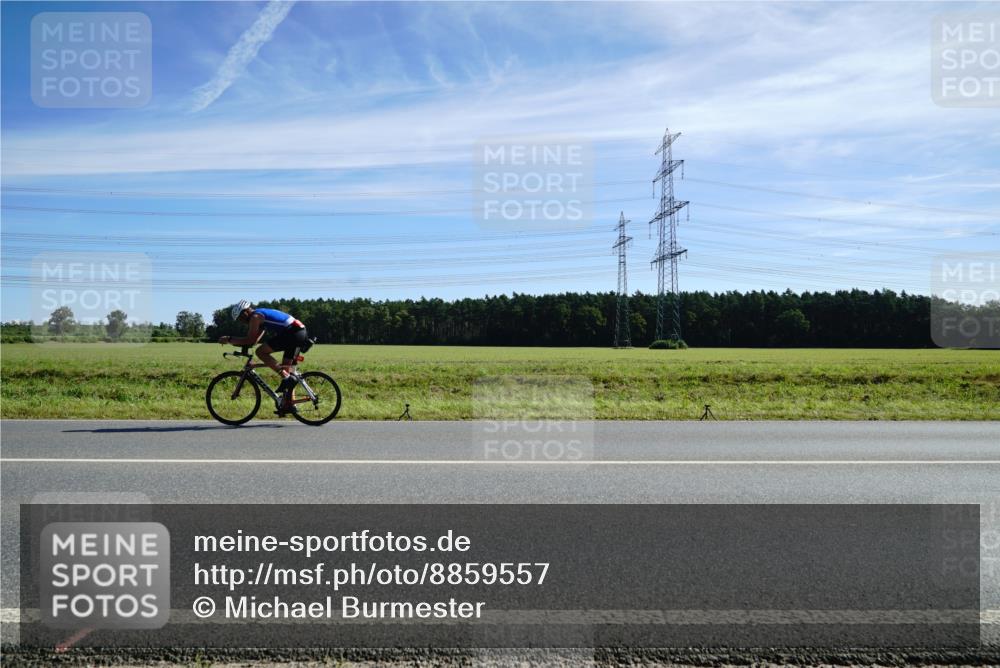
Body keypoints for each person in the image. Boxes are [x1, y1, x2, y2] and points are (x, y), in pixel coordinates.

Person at [219, 300, 309, 412]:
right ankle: (290, 405)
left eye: (241, 319)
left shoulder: (255, 317)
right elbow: (253, 341)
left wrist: (229, 339)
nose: (242, 322)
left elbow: (250, 339)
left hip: (292, 333)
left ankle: (286, 378)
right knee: (288, 371)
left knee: (261, 352)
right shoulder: (260, 316)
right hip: (298, 332)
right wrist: (238, 344)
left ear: (245, 312)